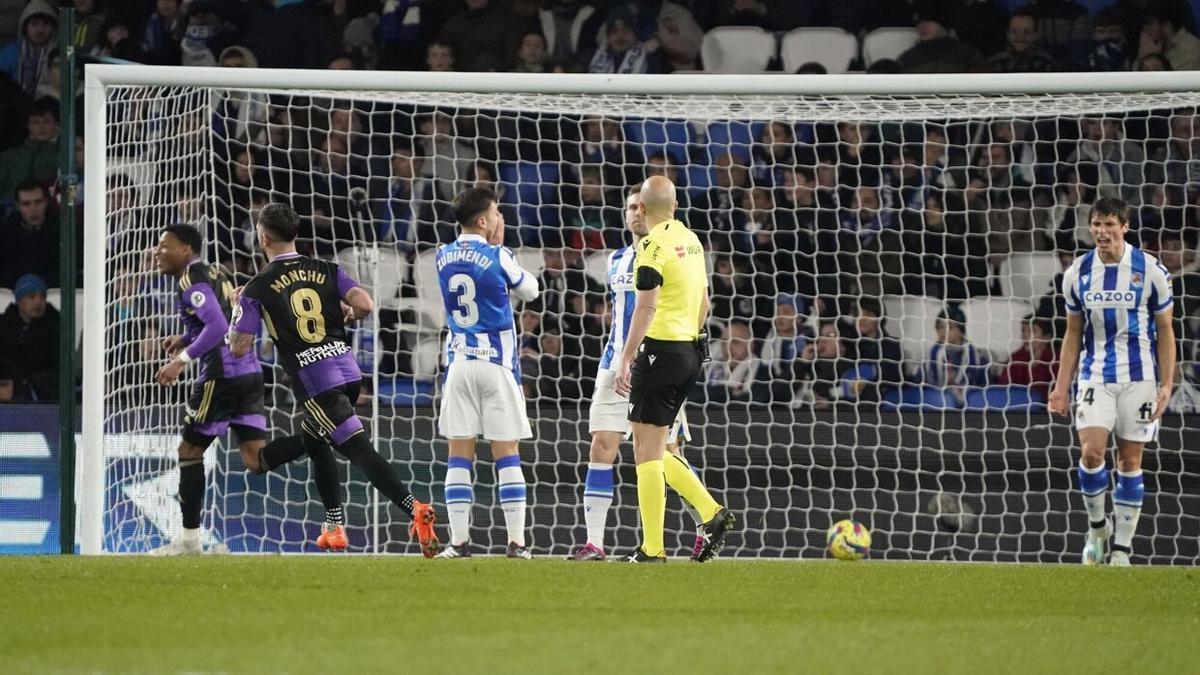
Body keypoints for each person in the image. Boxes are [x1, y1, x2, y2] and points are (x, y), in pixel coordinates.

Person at [228, 204, 440, 557]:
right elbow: (367, 304)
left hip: (315, 383)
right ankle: (334, 526)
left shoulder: (256, 287)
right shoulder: (327, 268)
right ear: (295, 234)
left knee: (358, 448)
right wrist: (349, 314)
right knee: (315, 440)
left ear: (263, 238)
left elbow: (239, 347)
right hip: (347, 371)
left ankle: (415, 508)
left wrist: (238, 308)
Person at [149, 224, 345, 554]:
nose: (157, 252)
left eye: (164, 246)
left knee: (188, 452)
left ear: (186, 250)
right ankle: (317, 436)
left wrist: (181, 358)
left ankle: (189, 541)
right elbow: (223, 317)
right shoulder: (217, 271)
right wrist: (185, 337)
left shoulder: (189, 280)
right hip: (250, 373)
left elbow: (219, 326)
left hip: (221, 376)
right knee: (255, 459)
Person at [572, 184, 724, 561]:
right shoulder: (617, 259)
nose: (636, 213)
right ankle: (596, 543)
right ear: (626, 215)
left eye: (641, 206)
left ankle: (701, 522)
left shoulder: (659, 248)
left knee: (661, 453)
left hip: (651, 358)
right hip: (618, 364)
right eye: (630, 208)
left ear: (650, 209)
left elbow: (648, 308)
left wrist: (637, 355)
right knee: (604, 445)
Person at [1048, 197, 1176, 567]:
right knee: (1091, 452)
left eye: (1109, 224)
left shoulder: (1150, 270)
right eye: (1096, 225)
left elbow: (1166, 331)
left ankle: (1121, 549)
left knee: (1130, 460)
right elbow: (1073, 332)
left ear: (1125, 226)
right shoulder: (1078, 272)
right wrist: (1060, 386)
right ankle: (1096, 528)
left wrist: (1166, 384)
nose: (1102, 232)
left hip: (1140, 378)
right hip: (1095, 374)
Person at [613, 175, 734, 563]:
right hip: (690, 352)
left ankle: (653, 547)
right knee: (653, 447)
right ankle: (709, 512)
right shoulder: (692, 241)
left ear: (643, 209)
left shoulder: (651, 246)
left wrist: (627, 357)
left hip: (659, 352)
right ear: (676, 206)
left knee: (646, 453)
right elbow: (705, 303)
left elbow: (645, 308)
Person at [431, 187, 540, 560]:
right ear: (483, 220)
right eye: (496, 213)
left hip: (459, 365)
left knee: (459, 453)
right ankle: (517, 544)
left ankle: (458, 543)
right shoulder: (498, 254)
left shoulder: (442, 256)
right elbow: (532, 291)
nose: (499, 219)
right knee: (506, 452)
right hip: (495, 365)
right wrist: (501, 246)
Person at [0, 274, 58, 401]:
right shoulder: (4, 325)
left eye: (42, 297)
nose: (38, 302)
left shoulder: (55, 324)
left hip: (45, 391)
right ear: (19, 300)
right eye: (31, 297)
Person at [924, 305, 989, 403]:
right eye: (940, 327)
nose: (943, 331)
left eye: (950, 327)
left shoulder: (979, 359)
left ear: (961, 331)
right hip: (935, 406)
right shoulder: (930, 356)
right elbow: (917, 388)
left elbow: (987, 392)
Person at [0, 180, 58, 289]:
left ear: (46, 202)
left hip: (52, 292)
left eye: (38, 202)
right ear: (17, 206)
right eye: (26, 204)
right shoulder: (5, 230)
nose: (33, 209)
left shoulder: (60, 229)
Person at [0, 0, 57, 96]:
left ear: (53, 28)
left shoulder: (60, 53)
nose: (40, 30)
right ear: (25, 27)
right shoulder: (10, 52)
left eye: (46, 24)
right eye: (34, 24)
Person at [997, 315, 1058, 400]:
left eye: (1032, 331)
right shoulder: (1015, 358)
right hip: (1017, 407)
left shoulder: (1056, 359)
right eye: (1023, 331)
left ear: (1047, 337)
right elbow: (1003, 388)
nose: (1025, 335)